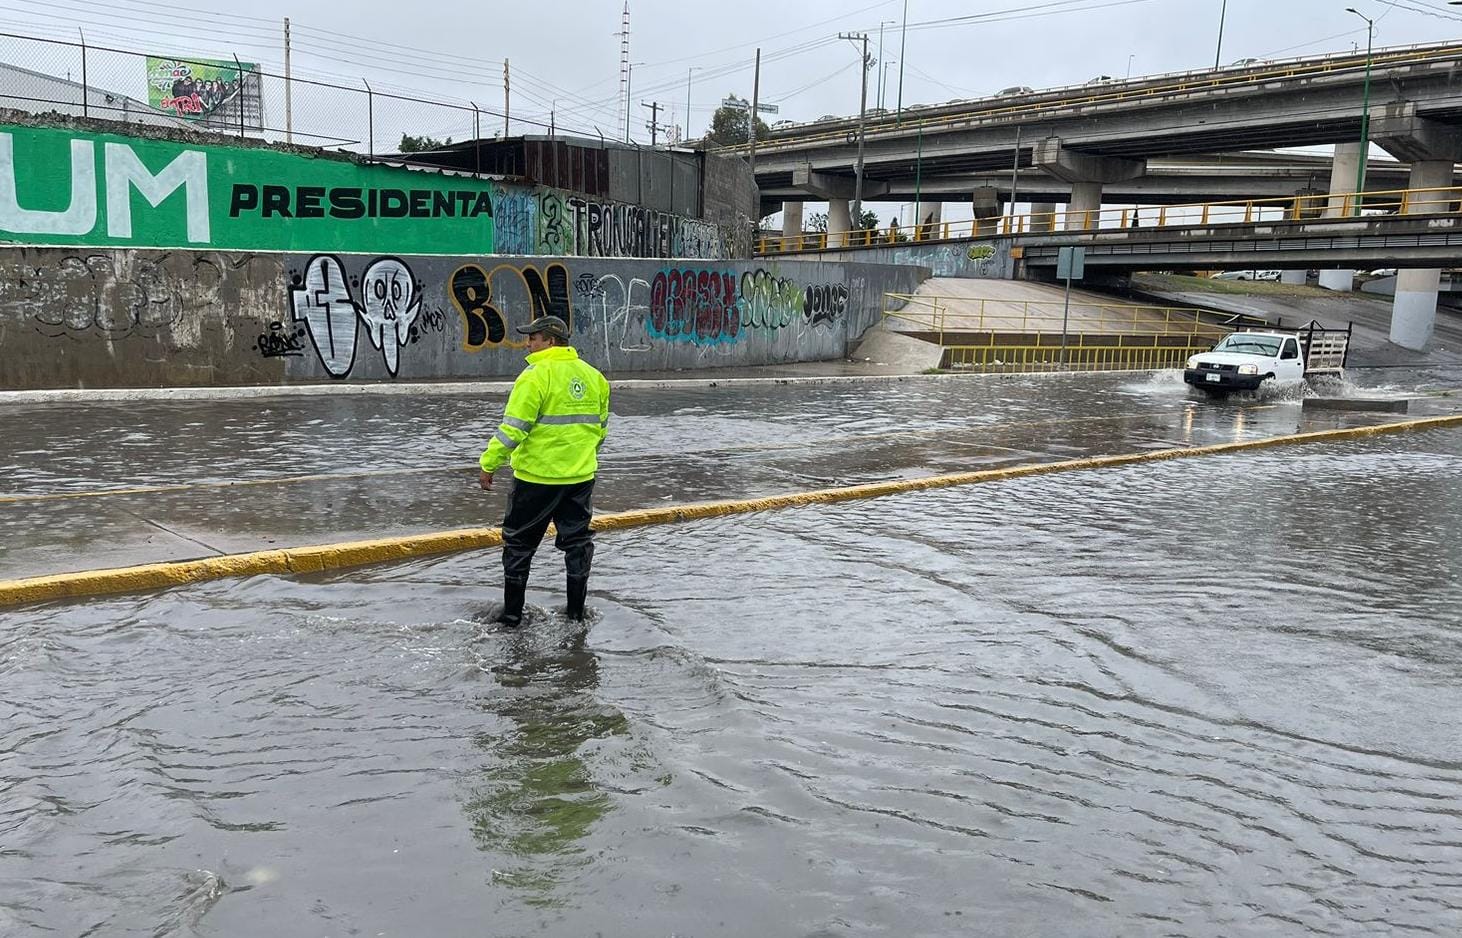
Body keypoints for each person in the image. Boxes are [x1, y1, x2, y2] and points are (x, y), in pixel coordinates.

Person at [479, 315, 609, 627]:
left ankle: (512, 617)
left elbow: (513, 429)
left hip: (536, 480)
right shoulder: (594, 377)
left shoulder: (534, 375)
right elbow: (600, 430)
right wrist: (581, 460)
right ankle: (576, 615)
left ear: (550, 340)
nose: (528, 343)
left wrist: (489, 463)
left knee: (519, 546)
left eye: (534, 338)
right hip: (579, 479)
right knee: (577, 545)